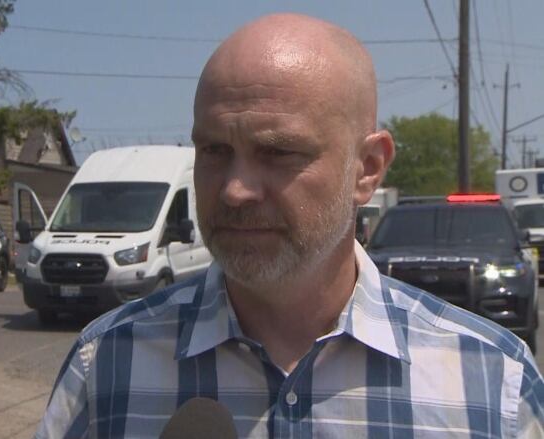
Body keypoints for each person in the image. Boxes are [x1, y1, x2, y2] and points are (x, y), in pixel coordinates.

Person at [36, 13, 544, 438]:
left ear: (367, 169)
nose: (235, 190)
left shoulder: (492, 384)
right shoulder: (105, 367)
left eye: (277, 152)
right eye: (214, 150)